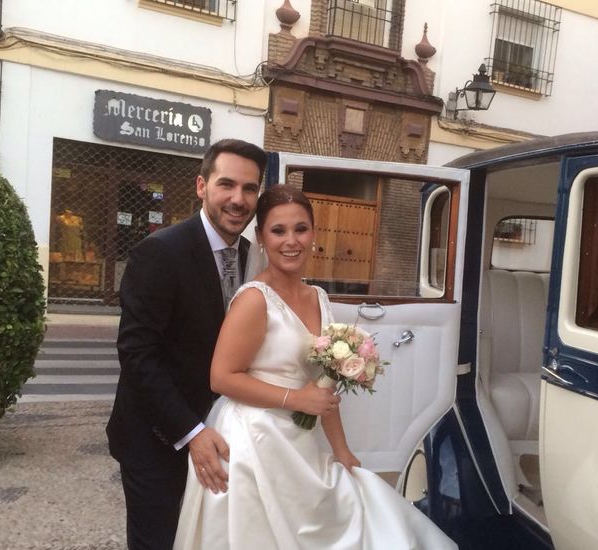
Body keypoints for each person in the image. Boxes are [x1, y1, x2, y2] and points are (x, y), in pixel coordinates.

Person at [173, 185, 457, 549]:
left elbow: (324, 383)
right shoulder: (254, 300)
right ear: (261, 238)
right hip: (253, 441)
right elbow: (222, 377)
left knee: (356, 511)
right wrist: (297, 399)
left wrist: (341, 450)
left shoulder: (319, 297)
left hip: (302, 441)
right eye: (278, 231)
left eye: (300, 229)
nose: (290, 241)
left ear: (314, 234)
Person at [106, 138, 268, 550]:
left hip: (225, 434)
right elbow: (138, 354)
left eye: (250, 189)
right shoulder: (159, 252)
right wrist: (192, 432)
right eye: (226, 185)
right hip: (159, 438)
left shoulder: (253, 256)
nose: (238, 199)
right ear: (201, 186)